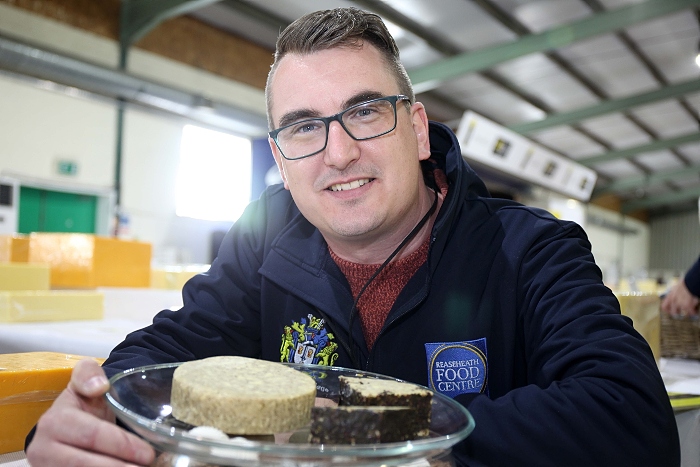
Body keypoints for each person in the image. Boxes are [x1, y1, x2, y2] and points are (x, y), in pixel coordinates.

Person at [26, 7, 679, 467]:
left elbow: (631, 416)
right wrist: (95, 413)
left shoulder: (529, 249)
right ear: (280, 160)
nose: (337, 152)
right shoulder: (266, 241)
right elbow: (169, 347)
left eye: (364, 111)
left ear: (418, 129)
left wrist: (399, 450)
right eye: (304, 127)